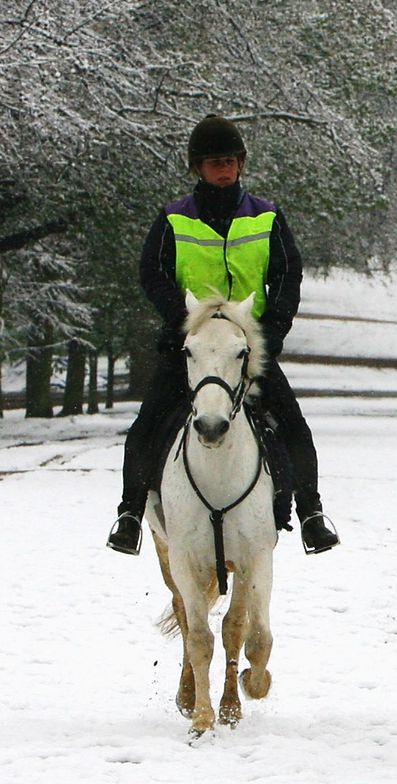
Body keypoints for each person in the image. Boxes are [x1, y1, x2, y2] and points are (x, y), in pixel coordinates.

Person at [106, 114, 339, 556]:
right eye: (215, 162)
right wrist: (184, 319)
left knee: (294, 426)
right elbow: (151, 272)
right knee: (147, 425)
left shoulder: (267, 216)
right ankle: (130, 514)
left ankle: (310, 513)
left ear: (241, 165)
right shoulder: (175, 218)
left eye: (231, 161)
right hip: (191, 347)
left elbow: (288, 275)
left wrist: (270, 332)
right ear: (198, 167)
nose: (225, 169)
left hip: (244, 351)